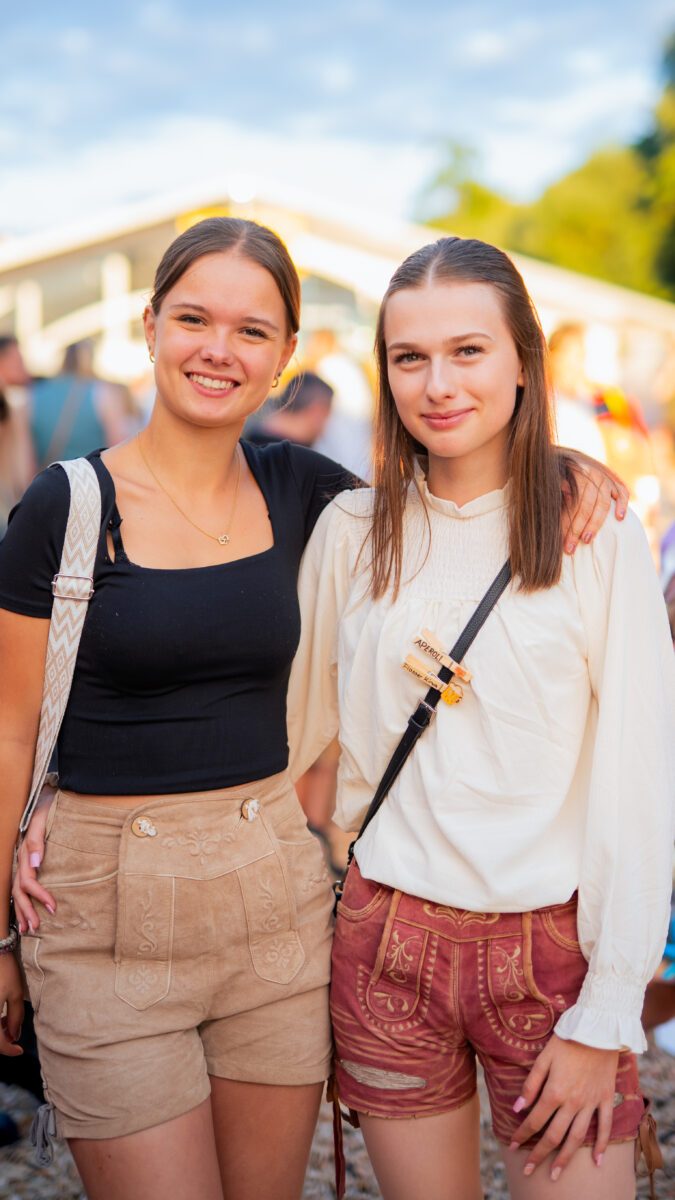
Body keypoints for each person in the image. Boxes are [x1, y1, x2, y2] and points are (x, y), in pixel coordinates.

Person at [5, 220, 625, 1200]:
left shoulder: (308, 497)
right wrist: (4, 931)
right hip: (103, 906)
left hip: (272, 904)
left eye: (252, 330)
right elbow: (11, 726)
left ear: (286, 353)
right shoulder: (66, 506)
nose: (219, 349)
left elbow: (446, 505)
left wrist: (562, 466)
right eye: (194, 319)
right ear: (149, 325)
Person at [287, 237, 674, 1200]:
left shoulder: (593, 533)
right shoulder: (349, 531)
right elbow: (291, 741)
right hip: (383, 939)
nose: (437, 384)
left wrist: (607, 1011)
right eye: (408, 357)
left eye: (468, 351)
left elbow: (640, 778)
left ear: (522, 361)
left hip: (550, 956)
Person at [30, 339, 131, 467]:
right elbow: (118, 447)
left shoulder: (35, 394)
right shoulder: (102, 392)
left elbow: (26, 461)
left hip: (48, 476)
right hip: (92, 477)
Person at [245, 371, 334, 448]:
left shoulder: (244, 445)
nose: (324, 429)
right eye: (327, 416)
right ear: (316, 411)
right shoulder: (300, 458)